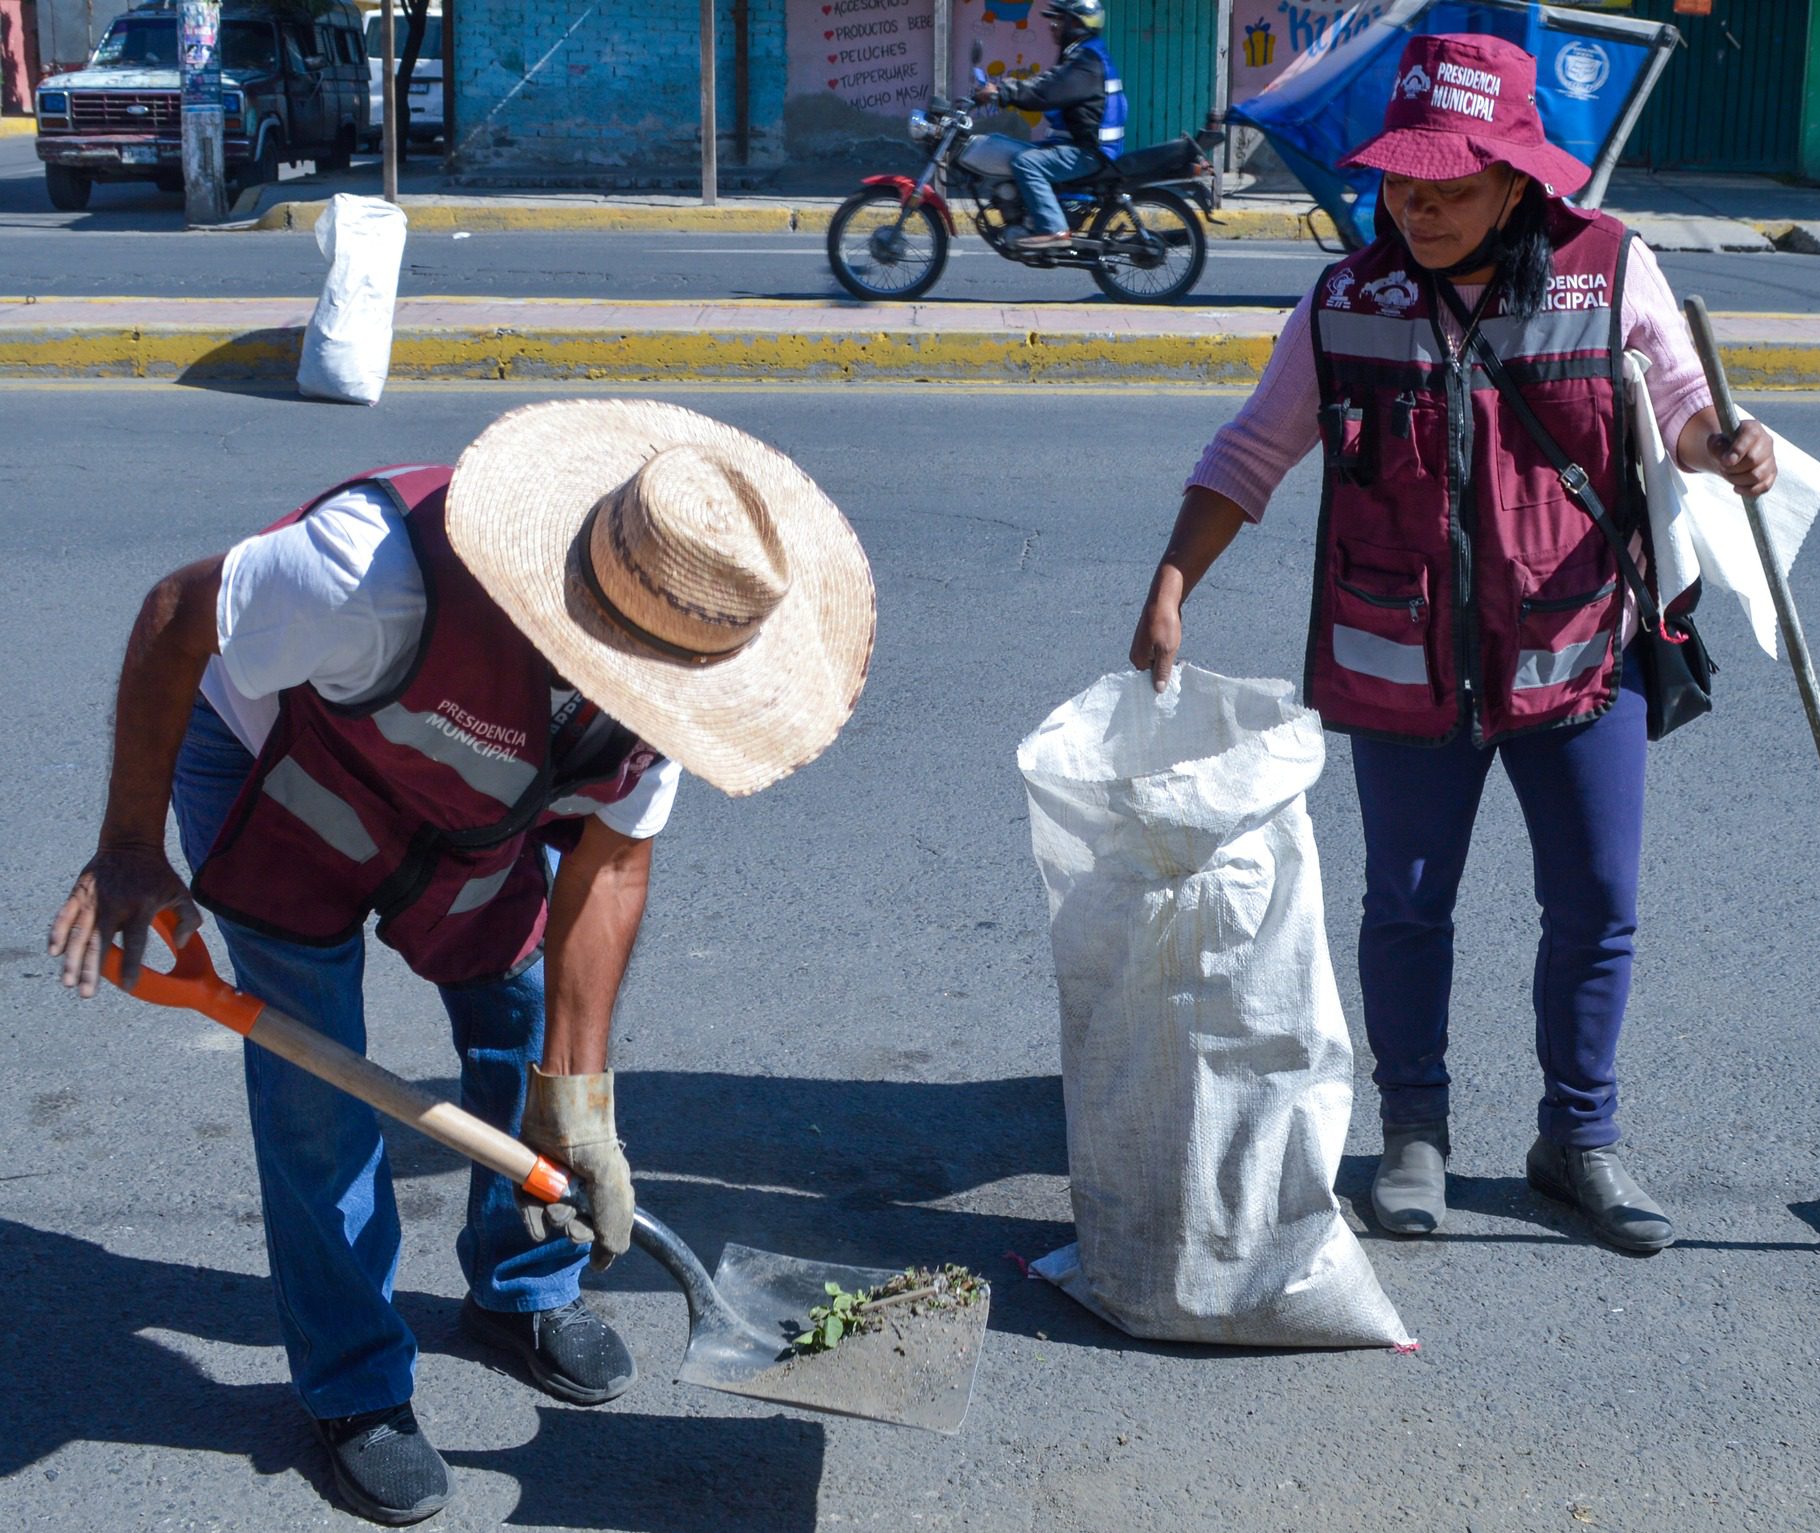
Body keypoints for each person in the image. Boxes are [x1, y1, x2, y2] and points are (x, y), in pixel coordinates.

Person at [48, 401, 876, 1525]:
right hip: (281, 764)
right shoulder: (368, 572)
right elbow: (176, 613)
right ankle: (355, 1391)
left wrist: (578, 1105)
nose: (660, 703)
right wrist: (131, 846)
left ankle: (520, 1287)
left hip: (474, 801)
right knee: (317, 1086)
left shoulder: (682, 667)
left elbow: (610, 869)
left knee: (519, 1012)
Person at [1127, 34, 1776, 1256]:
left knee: (1595, 903)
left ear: (1516, 183)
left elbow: (1685, 407)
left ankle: (1576, 1138)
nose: (1416, 209)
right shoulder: (1346, 301)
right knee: (1408, 907)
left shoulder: (1607, 270)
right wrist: (1170, 585)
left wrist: (1728, 447)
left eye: (1449, 187)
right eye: (1400, 185)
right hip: (1400, 662)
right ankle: (1412, 1133)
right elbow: (1249, 454)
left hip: (1579, 652)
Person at [974, 0, 1127, 251]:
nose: (1053, 27)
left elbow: (1047, 91)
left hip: (1091, 151)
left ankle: (1054, 229)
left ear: (1077, 24)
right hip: (1086, 145)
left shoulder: (1086, 60)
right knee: (1021, 152)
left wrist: (1003, 92)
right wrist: (1006, 89)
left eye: (1060, 20)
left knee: (1026, 163)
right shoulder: (1084, 53)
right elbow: (1050, 82)